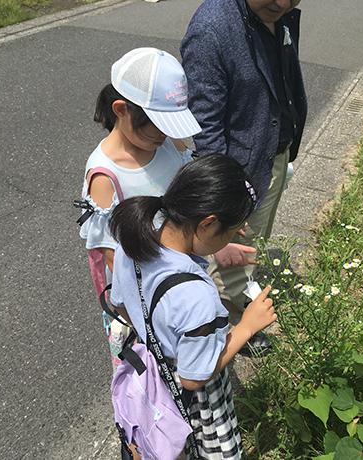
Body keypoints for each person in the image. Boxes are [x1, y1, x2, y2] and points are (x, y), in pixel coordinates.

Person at [78, 47, 254, 370]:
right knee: (148, 378)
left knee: (185, 366)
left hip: (177, 284)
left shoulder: (170, 143)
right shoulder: (105, 175)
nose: (166, 134)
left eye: (171, 125)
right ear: (121, 109)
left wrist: (217, 242)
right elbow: (118, 260)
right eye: (157, 125)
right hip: (141, 302)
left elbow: (186, 212)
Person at [108, 154, 277, 459]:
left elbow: (121, 304)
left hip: (149, 370)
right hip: (193, 400)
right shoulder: (198, 296)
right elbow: (194, 376)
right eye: (231, 229)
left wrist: (216, 246)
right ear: (208, 223)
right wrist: (247, 326)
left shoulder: (134, 240)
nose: (234, 234)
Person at [180, 0, 307, 355]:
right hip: (240, 175)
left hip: (273, 156)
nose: (282, 3)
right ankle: (232, 329)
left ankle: (239, 312)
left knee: (252, 247)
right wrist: (224, 198)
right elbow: (205, 126)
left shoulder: (275, 15)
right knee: (230, 257)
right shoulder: (213, 28)